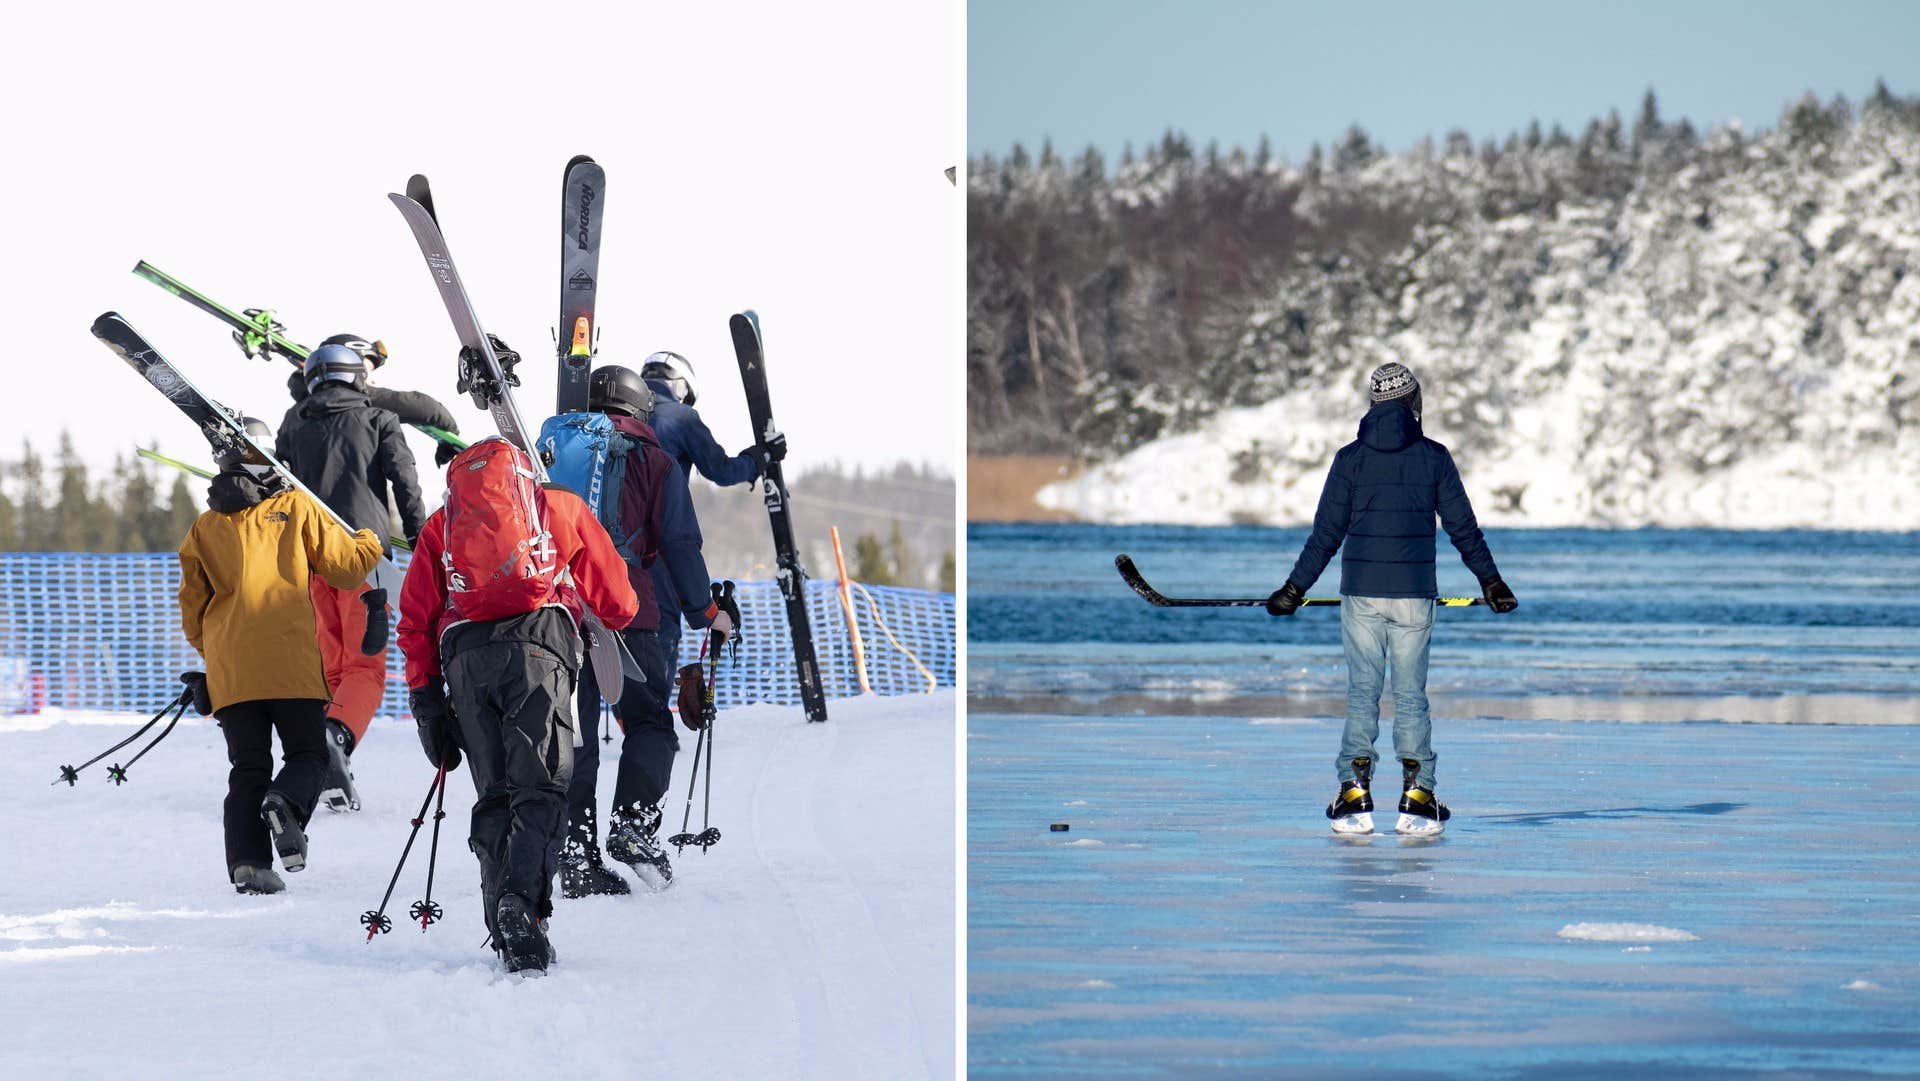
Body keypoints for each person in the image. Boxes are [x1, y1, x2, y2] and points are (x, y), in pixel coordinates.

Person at [396, 436, 638, 975]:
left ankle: (505, 932)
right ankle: (522, 911)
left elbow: (414, 620)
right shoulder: (560, 507)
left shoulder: (441, 526)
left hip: (464, 660)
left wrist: (425, 701)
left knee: (496, 794)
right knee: (544, 785)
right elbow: (620, 605)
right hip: (538, 648)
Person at [1266, 362, 1519, 836]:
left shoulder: (1350, 458)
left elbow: (1326, 535)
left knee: (1363, 691)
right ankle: (1419, 796)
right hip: (1413, 598)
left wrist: (1295, 588)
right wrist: (1492, 582)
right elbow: (1463, 528)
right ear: (1413, 401)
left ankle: (1353, 795)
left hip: (1360, 595)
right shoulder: (1434, 456)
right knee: (1410, 696)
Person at [546, 366, 733, 898]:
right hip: (631, 612)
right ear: (639, 411)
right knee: (649, 724)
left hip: (560, 613)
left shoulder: (556, 452)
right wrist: (704, 612)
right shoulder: (656, 460)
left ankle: (577, 855)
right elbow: (679, 542)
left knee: (574, 737)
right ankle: (633, 825)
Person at [176, 417, 383, 893]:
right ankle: (285, 803)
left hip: (233, 673)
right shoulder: (296, 507)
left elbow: (192, 610)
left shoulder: (203, 527)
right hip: (292, 665)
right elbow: (348, 570)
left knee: (246, 768)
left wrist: (219, 654)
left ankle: (250, 866)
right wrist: (369, 539)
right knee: (307, 754)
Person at [276, 339, 431, 813]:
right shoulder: (378, 420)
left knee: (333, 668)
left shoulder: (292, 423)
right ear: (356, 377)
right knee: (365, 668)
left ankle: (329, 765)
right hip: (365, 564)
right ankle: (334, 736)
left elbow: (277, 490)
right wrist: (424, 540)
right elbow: (406, 482)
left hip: (311, 562)